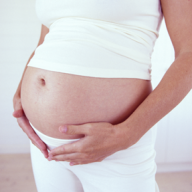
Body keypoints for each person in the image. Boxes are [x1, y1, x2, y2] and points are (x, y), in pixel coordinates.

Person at [12, 0, 192, 191]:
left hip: (116, 148)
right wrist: (20, 93)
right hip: (46, 146)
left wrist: (128, 133)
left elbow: (188, 54)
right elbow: (49, 38)